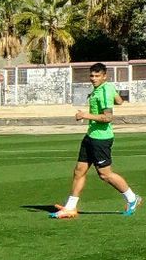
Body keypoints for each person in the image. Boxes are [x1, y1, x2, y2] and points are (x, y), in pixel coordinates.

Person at [53, 63, 141, 219]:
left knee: (105, 175)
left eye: (97, 76)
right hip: (90, 136)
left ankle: (132, 198)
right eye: (91, 76)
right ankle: (70, 207)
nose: (93, 79)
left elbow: (108, 118)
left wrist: (85, 115)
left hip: (101, 138)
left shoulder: (104, 92)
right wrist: (115, 96)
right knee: (79, 171)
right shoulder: (106, 88)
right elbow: (120, 101)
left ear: (104, 76)